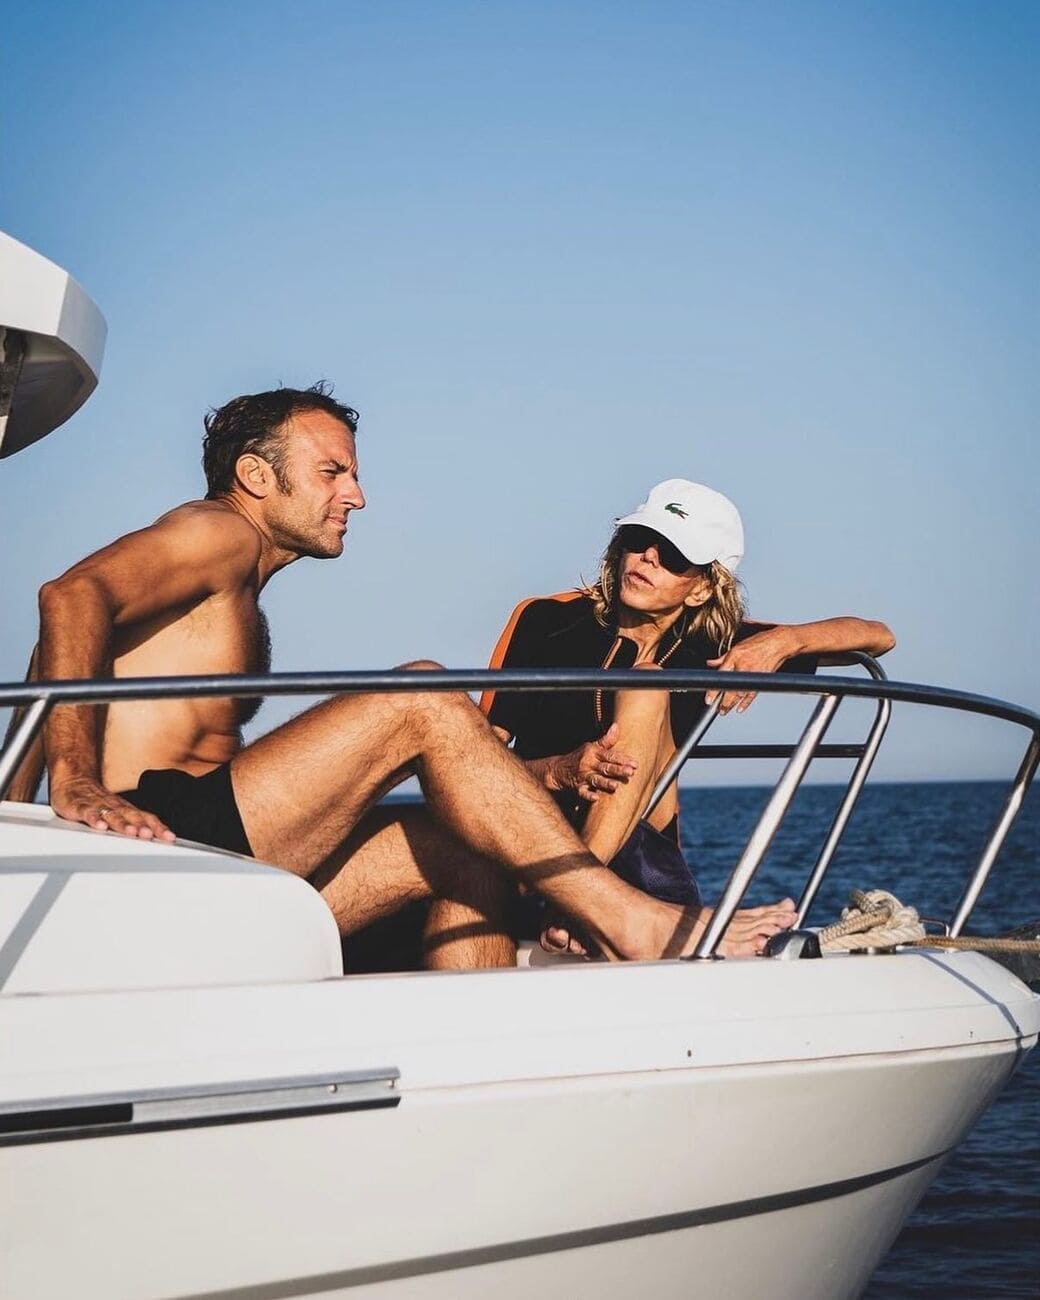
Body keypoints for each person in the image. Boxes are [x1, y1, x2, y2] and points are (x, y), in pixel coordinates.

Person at [8, 391, 799, 970]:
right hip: (168, 838)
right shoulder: (215, 531)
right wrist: (72, 782)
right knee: (422, 693)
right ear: (255, 474)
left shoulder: (225, 574)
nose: (355, 494)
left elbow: (58, 654)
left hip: (213, 855)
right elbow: (71, 597)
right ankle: (631, 920)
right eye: (331, 472)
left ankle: (478, 1067)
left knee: (463, 850)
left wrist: (11, 811)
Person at [472, 478, 895, 954]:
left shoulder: (714, 648)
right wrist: (558, 771)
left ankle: (580, 899)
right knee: (646, 683)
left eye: (674, 555)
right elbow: (475, 761)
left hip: (640, 860)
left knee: (648, 684)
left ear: (701, 589)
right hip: (532, 843)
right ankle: (584, 898)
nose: (648, 557)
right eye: (639, 539)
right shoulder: (546, 621)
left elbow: (878, 636)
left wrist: (782, 642)